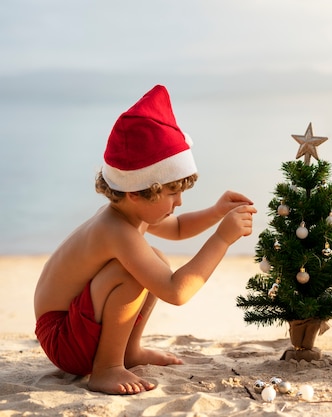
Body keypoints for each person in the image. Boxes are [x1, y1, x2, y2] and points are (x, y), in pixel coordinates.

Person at [33, 85, 257, 395]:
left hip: (75, 325)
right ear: (136, 192)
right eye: (171, 193)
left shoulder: (130, 213)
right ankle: (106, 368)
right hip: (63, 339)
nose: (178, 202)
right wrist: (222, 239)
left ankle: (128, 351)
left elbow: (177, 228)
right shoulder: (115, 231)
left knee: (156, 258)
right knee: (131, 272)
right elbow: (176, 291)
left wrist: (217, 212)